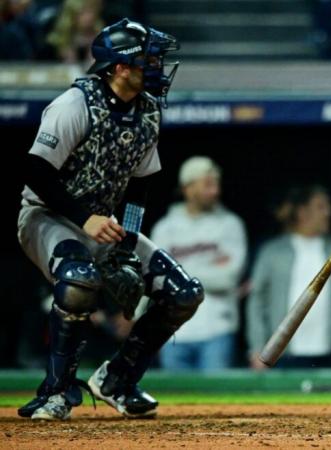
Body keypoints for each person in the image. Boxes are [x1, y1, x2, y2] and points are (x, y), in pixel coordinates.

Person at [16, 18, 201, 420]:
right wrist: (85, 220)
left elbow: (141, 185)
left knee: (183, 293)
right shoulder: (75, 104)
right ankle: (55, 393)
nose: (157, 67)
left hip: (102, 222)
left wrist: (129, 243)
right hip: (46, 216)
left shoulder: (148, 111)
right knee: (79, 280)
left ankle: (118, 379)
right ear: (119, 68)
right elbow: (36, 171)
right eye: (149, 60)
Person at [152, 156, 247, 370]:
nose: (215, 191)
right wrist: (208, 268)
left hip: (218, 329)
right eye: (207, 184)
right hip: (172, 331)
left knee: (218, 402)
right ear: (188, 188)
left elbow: (228, 278)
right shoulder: (165, 228)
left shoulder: (230, 225)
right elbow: (156, 280)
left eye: (216, 184)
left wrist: (177, 273)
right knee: (174, 401)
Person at [246, 185, 331, 369]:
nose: (328, 212)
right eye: (321, 207)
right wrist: (258, 347)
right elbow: (257, 302)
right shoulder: (272, 252)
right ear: (302, 212)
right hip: (283, 354)